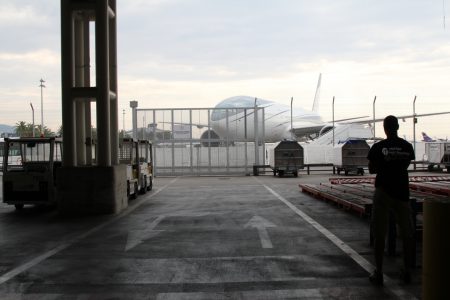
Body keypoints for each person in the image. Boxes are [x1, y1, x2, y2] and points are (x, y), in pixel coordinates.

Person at [367, 115, 415, 285]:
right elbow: (405, 164)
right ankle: (407, 270)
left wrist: (384, 166)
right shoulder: (407, 146)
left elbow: (372, 169)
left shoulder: (378, 147)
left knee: (380, 232)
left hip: (383, 192)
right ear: (397, 127)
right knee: (407, 234)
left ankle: (379, 272)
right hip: (402, 193)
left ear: (385, 128)